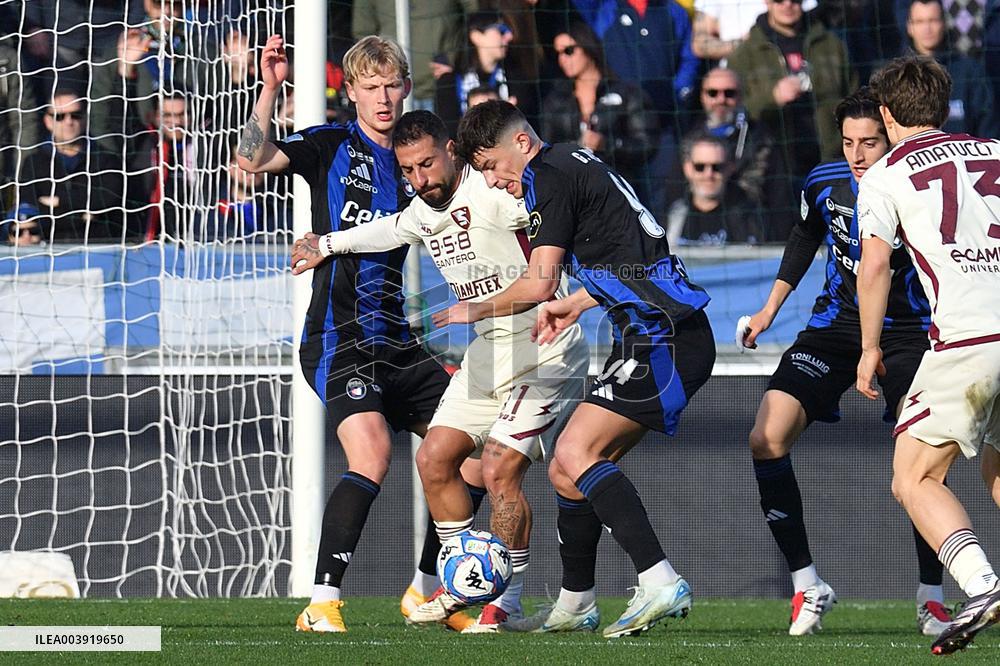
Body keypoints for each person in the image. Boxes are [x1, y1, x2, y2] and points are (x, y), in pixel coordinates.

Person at [291, 110, 590, 632]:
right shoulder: (420, 211)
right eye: (408, 170)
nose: (419, 179)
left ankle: (508, 600)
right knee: (434, 459)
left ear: (451, 150)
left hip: (544, 348)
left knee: (497, 469)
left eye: (427, 164)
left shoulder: (496, 191)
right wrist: (327, 244)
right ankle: (461, 580)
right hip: (489, 351)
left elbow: (559, 221)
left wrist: (588, 278)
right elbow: (384, 231)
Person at [441, 100, 716, 638]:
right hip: (654, 329)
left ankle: (660, 580)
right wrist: (579, 302)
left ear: (521, 143)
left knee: (573, 451)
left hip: (663, 335)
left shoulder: (547, 176)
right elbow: (633, 257)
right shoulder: (572, 161)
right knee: (566, 472)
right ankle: (575, 603)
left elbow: (539, 281)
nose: (493, 181)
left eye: (491, 166)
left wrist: (477, 307)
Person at [236, 34, 479, 634]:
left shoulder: (422, 159)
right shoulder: (330, 146)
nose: (383, 97)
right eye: (371, 87)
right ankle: (322, 603)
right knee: (372, 454)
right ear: (352, 92)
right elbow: (251, 159)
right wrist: (270, 87)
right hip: (337, 337)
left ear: (408, 87)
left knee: (474, 454)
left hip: (399, 340)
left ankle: (427, 591)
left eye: (392, 85)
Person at [740, 87, 953, 638]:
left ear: (891, 137)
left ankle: (931, 597)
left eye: (870, 142)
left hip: (909, 333)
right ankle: (807, 584)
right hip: (836, 328)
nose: (857, 155)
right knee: (766, 436)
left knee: (919, 466)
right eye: (848, 142)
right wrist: (768, 311)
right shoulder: (825, 182)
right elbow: (803, 237)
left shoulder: (917, 185)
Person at [855, 54, 1000, 656]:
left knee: (914, 476)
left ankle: (983, 587)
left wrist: (869, 347)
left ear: (887, 115)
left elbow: (875, 266)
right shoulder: (995, 151)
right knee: (998, 468)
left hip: (969, 339)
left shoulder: (883, 175)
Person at [728, 0, 856, 182]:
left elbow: (854, 99)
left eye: (794, 0)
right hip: (773, 170)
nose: (787, 4)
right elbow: (733, 112)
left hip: (831, 160)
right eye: (779, 0)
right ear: (767, 2)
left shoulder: (832, 45)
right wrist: (772, 97)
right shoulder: (744, 55)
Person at [540, 23, 659, 198]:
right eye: (557, 53)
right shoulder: (556, 100)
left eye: (568, 51)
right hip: (574, 193)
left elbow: (647, 145)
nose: (562, 59)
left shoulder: (627, 94)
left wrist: (607, 144)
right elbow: (546, 150)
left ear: (587, 47)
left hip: (620, 191)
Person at [18, 89, 130, 242]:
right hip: (49, 247)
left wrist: (59, 201)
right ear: (48, 121)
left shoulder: (106, 160)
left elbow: (108, 202)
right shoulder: (34, 162)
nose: (69, 121)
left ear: (85, 118)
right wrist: (82, 215)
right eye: (60, 116)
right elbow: (31, 210)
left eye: (75, 115)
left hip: (99, 246)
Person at [905, 0, 998, 138]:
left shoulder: (970, 71)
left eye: (933, 20)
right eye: (919, 22)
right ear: (909, 27)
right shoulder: (898, 75)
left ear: (944, 23)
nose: (927, 28)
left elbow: (988, 126)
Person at [665, 132, 765, 245]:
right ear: (687, 169)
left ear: (730, 168)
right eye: (700, 167)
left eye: (717, 167)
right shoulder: (673, 216)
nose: (708, 175)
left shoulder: (750, 217)